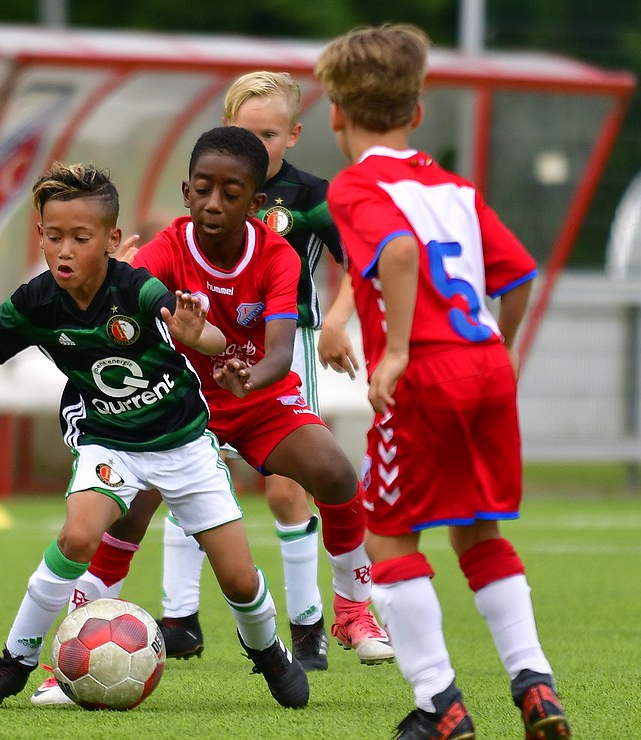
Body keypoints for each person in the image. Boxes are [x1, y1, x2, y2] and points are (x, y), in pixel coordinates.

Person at [0, 162, 308, 710]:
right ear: (40, 236)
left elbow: (207, 336)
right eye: (53, 237)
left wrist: (200, 334)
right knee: (76, 538)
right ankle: (16, 661)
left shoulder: (135, 288)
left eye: (80, 238)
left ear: (112, 241)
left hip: (184, 444)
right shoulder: (36, 301)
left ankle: (268, 652)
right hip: (109, 442)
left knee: (238, 580)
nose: (64, 250)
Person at [30, 127, 382, 707]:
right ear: (186, 192)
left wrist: (249, 378)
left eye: (231, 193)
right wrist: (114, 276)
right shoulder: (167, 250)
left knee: (337, 473)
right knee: (123, 519)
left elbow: (278, 352)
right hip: (175, 407)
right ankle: (66, 664)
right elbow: (121, 299)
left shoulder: (277, 255)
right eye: (203, 190)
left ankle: (351, 608)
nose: (214, 203)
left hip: (258, 398)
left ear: (256, 202)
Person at [314, 24, 568, 739]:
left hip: (426, 372)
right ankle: (535, 684)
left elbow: (397, 252)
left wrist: (395, 351)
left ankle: (438, 705)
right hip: (483, 365)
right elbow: (518, 273)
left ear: (335, 114)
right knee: (478, 530)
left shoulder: (356, 186)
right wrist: (504, 349)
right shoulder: (453, 186)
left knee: (389, 539)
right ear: (418, 111)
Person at [151, 71, 390, 671]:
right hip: (200, 359)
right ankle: (179, 617)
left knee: (291, 488)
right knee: (187, 479)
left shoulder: (309, 196)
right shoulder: (210, 193)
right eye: (246, 131)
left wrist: (337, 322)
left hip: (284, 346)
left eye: (270, 134)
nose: (259, 143)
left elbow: (362, 262)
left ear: (294, 134)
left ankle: (312, 624)